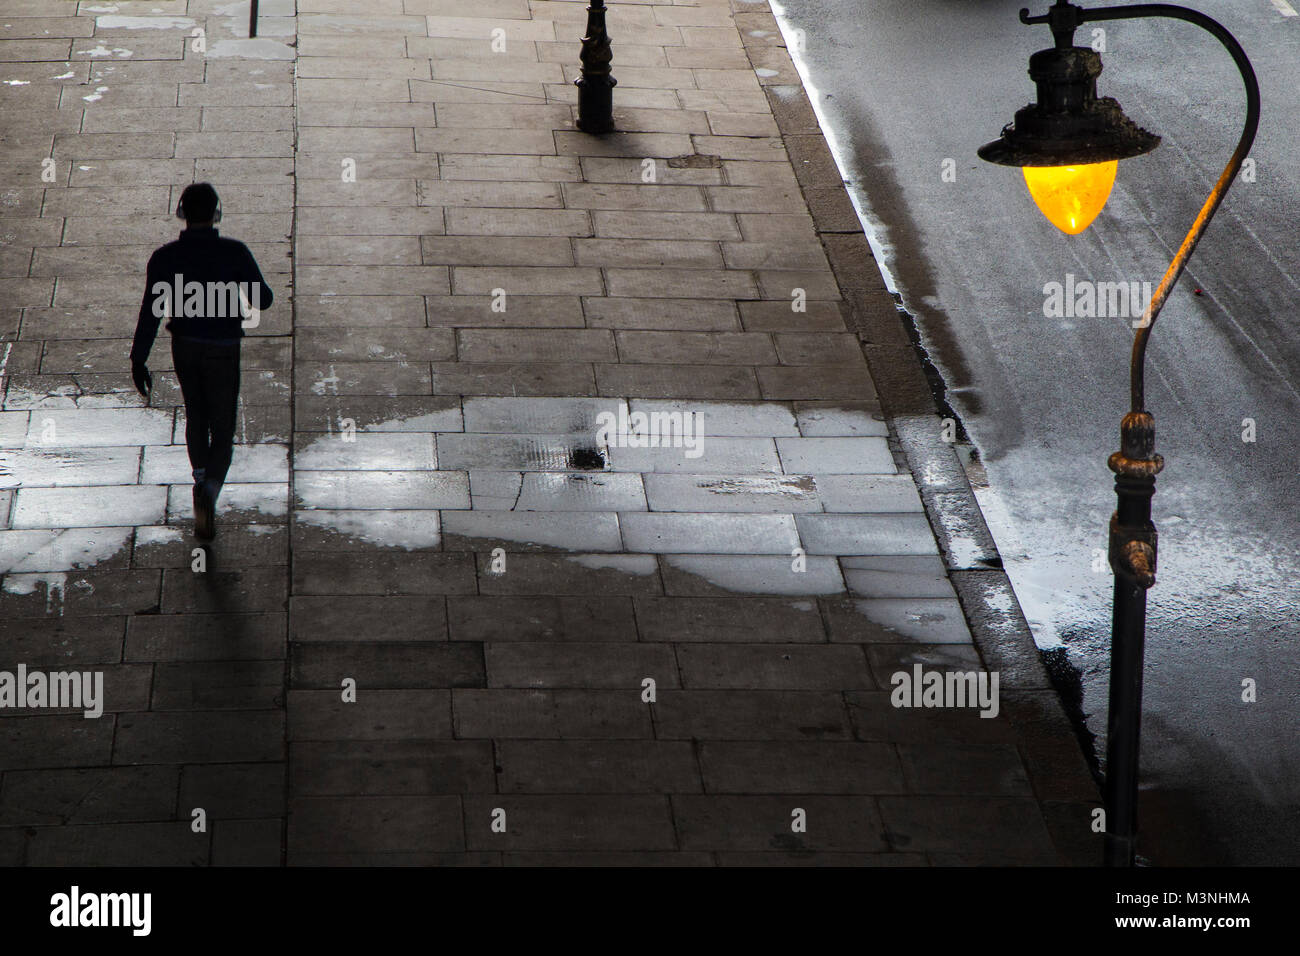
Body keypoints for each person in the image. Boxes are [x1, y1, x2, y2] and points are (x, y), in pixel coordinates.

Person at [130, 183, 273, 540]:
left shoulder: (164, 257)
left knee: (196, 414)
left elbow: (150, 312)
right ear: (216, 212)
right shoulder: (235, 252)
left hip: (186, 344)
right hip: (224, 346)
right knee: (223, 425)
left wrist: (139, 359)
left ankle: (198, 476)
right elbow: (264, 299)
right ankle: (211, 488)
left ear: (182, 211)